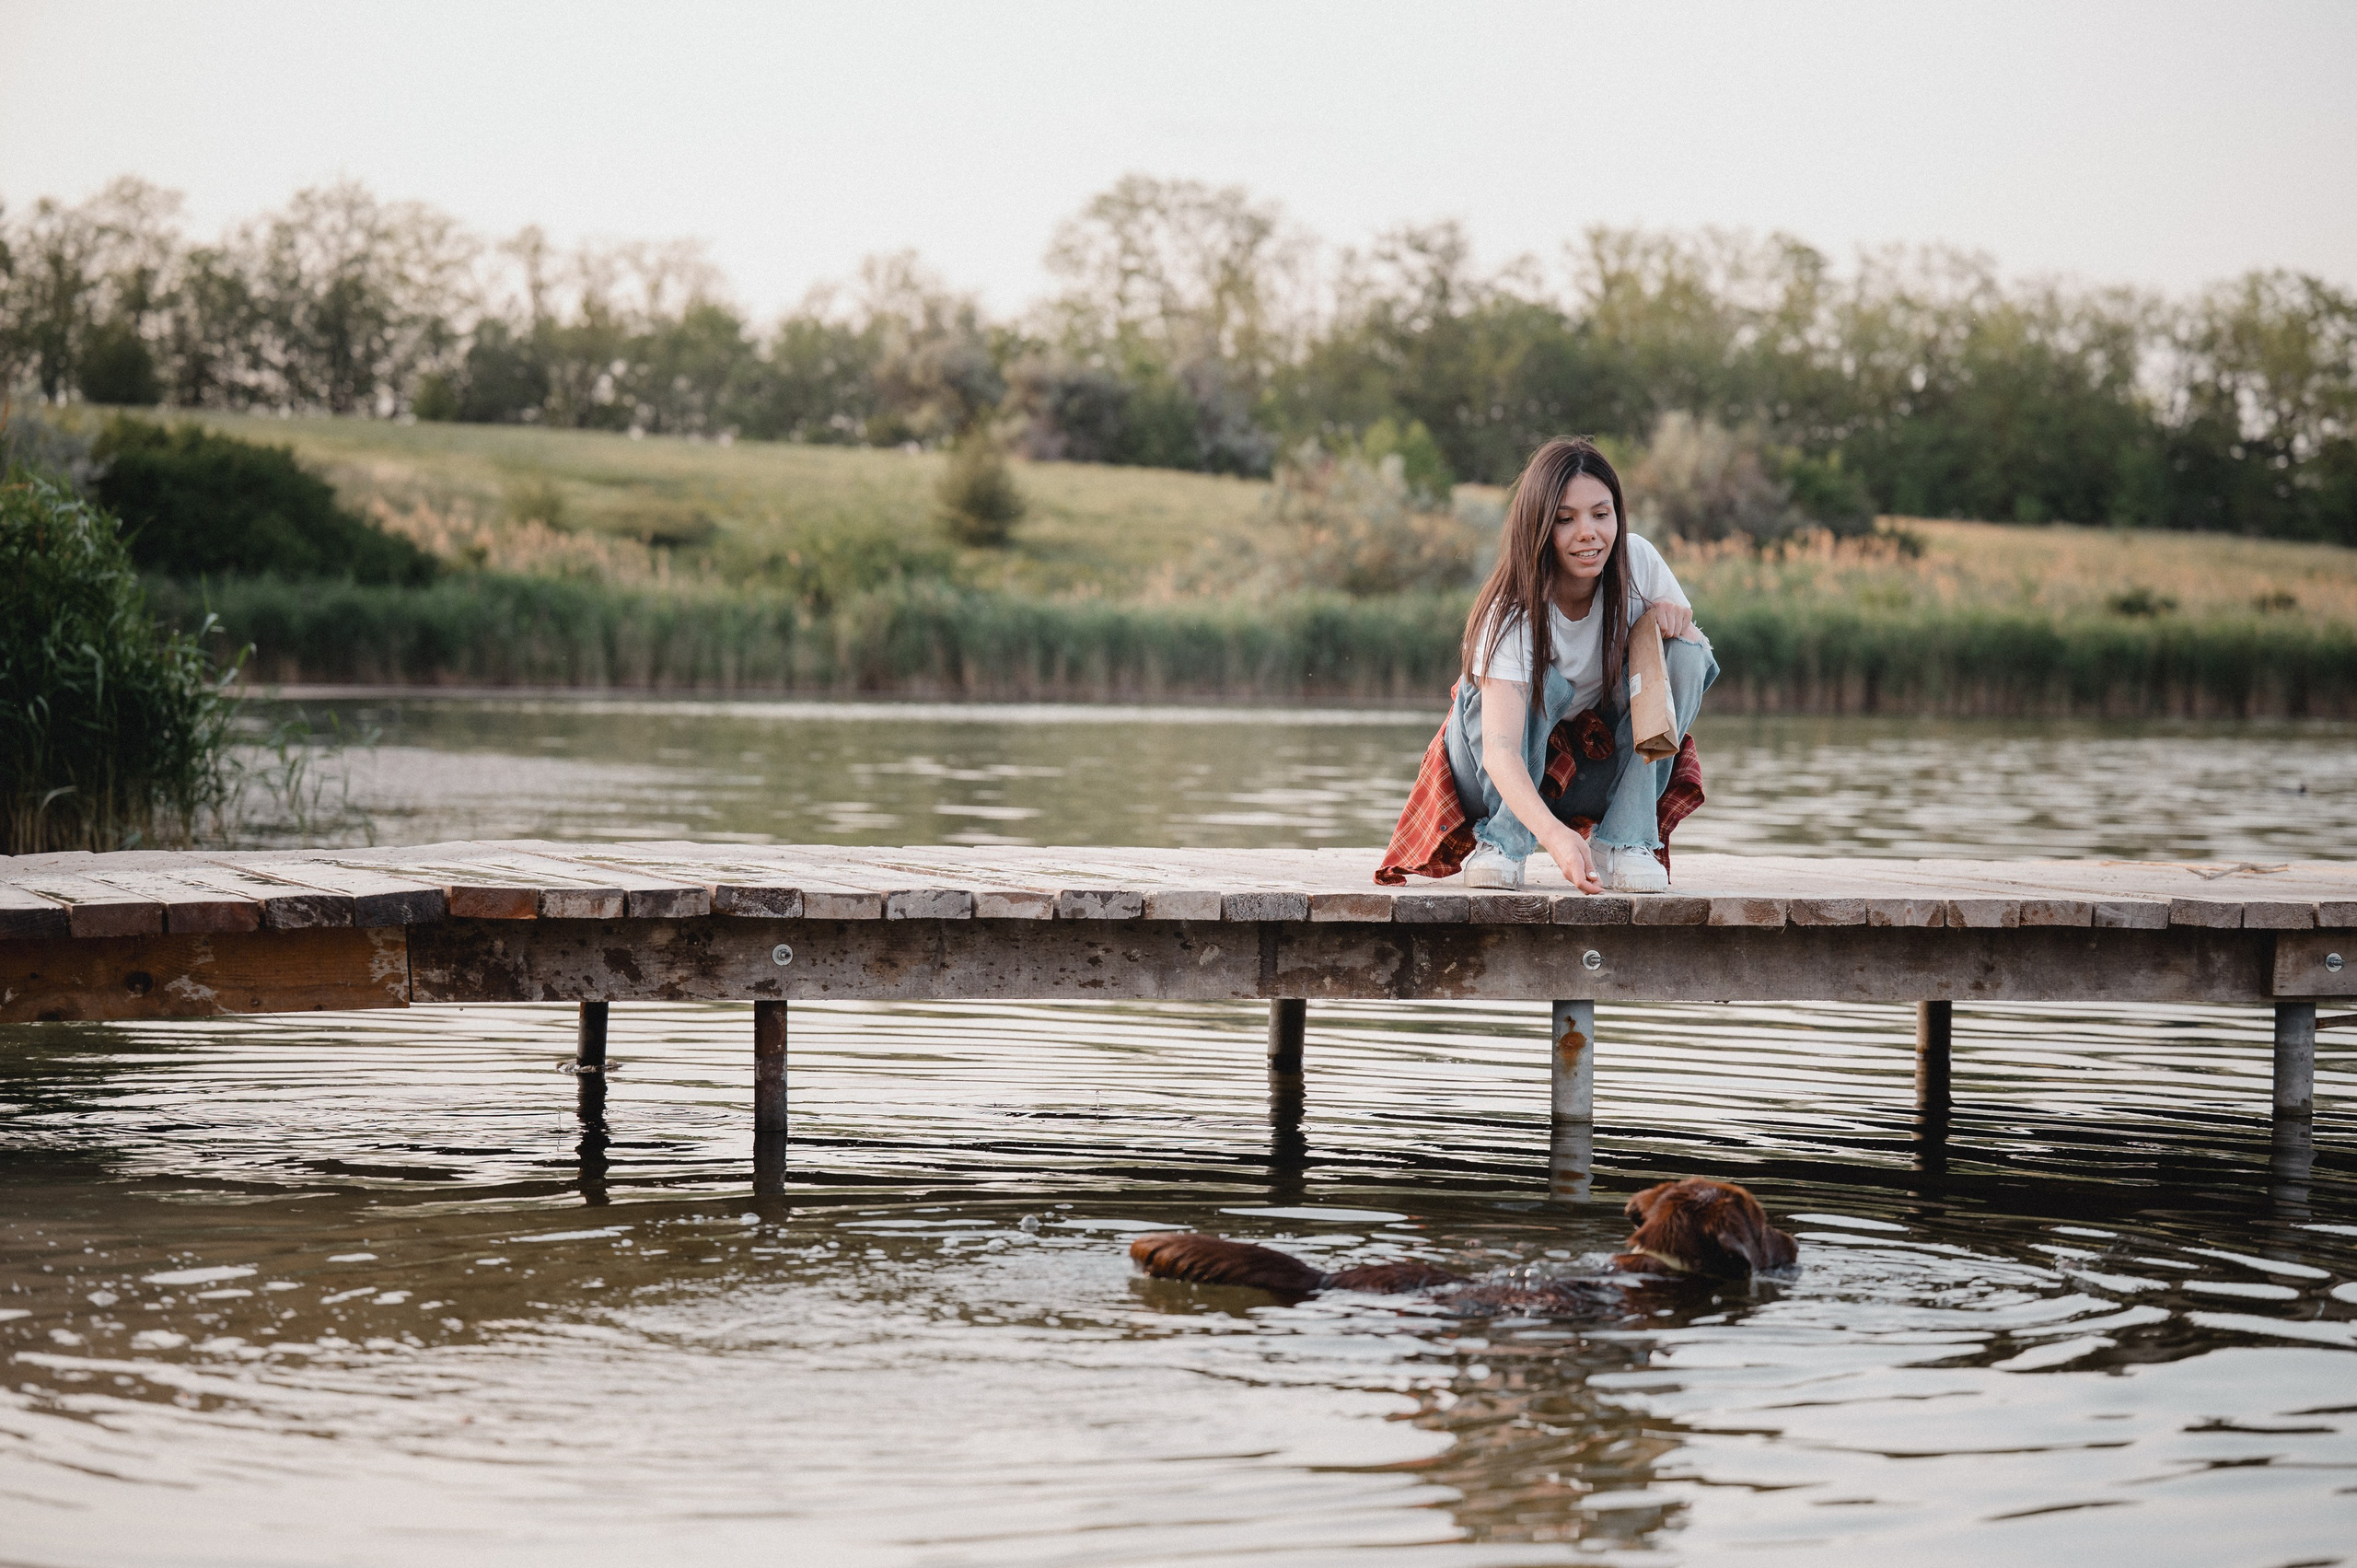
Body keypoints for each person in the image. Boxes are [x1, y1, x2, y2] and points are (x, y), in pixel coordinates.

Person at [1377, 436, 1716, 894]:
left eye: (1601, 514)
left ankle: (1625, 841)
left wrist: (1663, 621)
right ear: (1539, 526)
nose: (1588, 533)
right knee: (1536, 684)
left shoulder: (1637, 561)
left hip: (1589, 771)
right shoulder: (1511, 608)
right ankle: (1502, 843)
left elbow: (1689, 664)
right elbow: (1499, 752)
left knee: (1688, 651)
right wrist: (1556, 838)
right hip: (1493, 773)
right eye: (1565, 519)